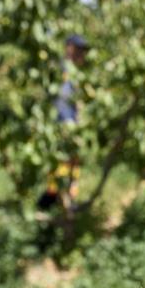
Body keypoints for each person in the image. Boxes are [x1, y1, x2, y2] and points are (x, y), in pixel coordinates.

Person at [37, 35, 89, 211]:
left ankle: (66, 200)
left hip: (72, 126)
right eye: (78, 50)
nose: (82, 55)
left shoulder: (76, 73)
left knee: (73, 164)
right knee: (60, 164)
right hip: (60, 125)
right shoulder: (60, 70)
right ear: (69, 48)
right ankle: (53, 198)